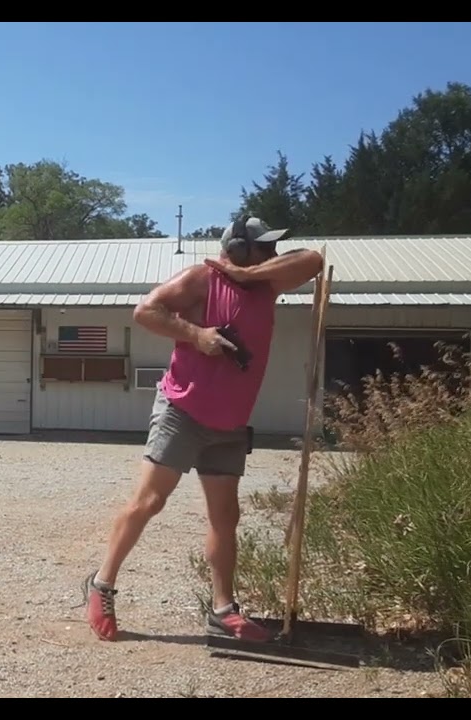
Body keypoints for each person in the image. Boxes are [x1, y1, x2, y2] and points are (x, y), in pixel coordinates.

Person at [82, 215, 325, 643]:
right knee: (149, 502)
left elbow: (312, 260)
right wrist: (198, 335)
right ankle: (101, 586)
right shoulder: (201, 279)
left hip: (230, 422)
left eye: (272, 247)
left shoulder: (266, 283)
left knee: (225, 517)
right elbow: (146, 311)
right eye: (262, 246)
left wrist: (245, 272)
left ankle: (223, 610)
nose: (272, 253)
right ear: (236, 247)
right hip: (183, 409)